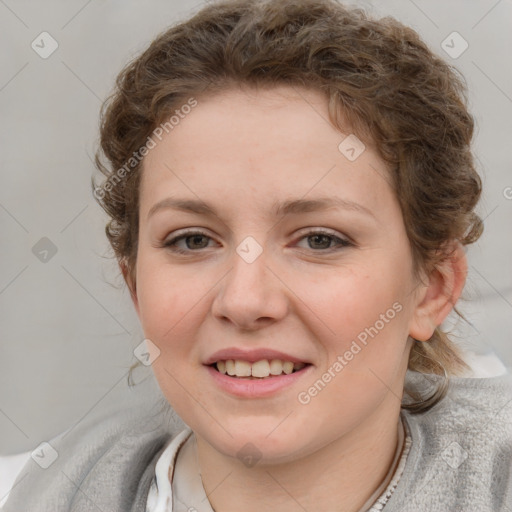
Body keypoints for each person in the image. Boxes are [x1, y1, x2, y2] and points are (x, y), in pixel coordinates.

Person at [4, 0, 512, 511]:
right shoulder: (48, 490)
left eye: (319, 240)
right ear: (136, 284)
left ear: (433, 289)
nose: (245, 301)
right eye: (193, 240)